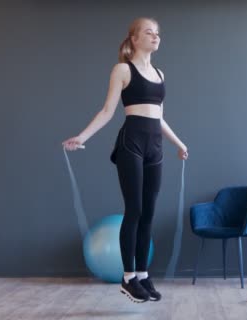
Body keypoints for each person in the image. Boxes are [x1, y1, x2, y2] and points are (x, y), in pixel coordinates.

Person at [62, 17, 188, 303]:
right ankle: (128, 277)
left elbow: (159, 117)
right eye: (149, 32)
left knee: (149, 214)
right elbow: (107, 111)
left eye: (158, 33)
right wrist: (83, 137)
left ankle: (143, 275)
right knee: (134, 210)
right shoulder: (122, 69)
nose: (155, 37)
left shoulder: (160, 73)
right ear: (134, 38)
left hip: (155, 147)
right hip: (131, 144)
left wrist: (179, 144)